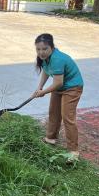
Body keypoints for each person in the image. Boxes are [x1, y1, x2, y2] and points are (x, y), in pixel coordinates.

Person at [32, 33, 83, 161]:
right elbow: (46, 71)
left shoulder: (57, 59)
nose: (41, 52)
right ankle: (51, 138)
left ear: (52, 47)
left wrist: (43, 92)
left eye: (44, 49)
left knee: (67, 117)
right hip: (60, 87)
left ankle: (73, 151)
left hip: (72, 87)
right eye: (38, 49)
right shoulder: (45, 58)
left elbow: (58, 82)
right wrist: (40, 87)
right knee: (53, 112)